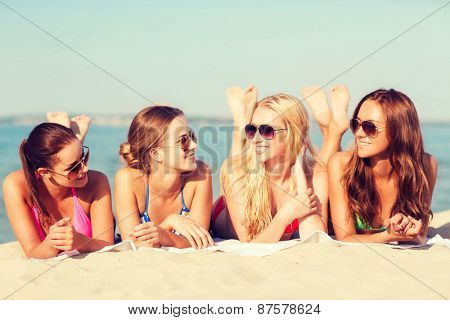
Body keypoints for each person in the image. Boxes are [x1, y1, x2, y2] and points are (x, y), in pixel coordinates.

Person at [211, 85, 350, 242]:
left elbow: (316, 238)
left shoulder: (317, 176)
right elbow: (250, 244)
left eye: (267, 130)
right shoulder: (236, 173)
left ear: (294, 135)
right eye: (252, 129)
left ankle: (331, 131)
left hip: (292, 164)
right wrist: (286, 215)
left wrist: (300, 174)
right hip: (225, 212)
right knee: (238, 164)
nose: (256, 138)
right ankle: (240, 121)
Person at [328, 89, 438, 244]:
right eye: (356, 124)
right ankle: (332, 130)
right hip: (324, 209)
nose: (358, 133)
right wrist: (388, 236)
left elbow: (420, 236)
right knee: (319, 175)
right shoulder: (341, 164)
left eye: (369, 127)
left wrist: (408, 230)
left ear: (398, 131)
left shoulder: (426, 165)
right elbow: (345, 238)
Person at [3, 118, 114, 259]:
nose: (85, 168)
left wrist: (80, 241)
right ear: (44, 172)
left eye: (84, 157)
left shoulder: (97, 181)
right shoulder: (15, 186)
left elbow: (108, 246)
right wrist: (51, 244)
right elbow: (33, 253)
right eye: (73, 167)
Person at [114, 106, 214, 249]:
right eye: (183, 141)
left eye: (192, 137)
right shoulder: (128, 180)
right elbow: (132, 245)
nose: (194, 145)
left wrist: (161, 234)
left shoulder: (201, 175)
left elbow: (199, 241)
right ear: (156, 154)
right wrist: (169, 223)